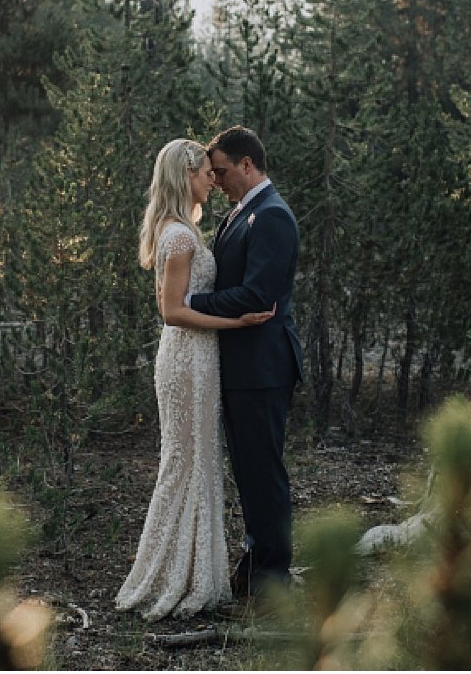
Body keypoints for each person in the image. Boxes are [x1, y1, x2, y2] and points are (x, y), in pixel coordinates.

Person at [115, 139, 275, 621]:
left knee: (195, 460)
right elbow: (171, 311)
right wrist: (237, 321)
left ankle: (189, 572)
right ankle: (170, 576)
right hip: (187, 359)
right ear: (185, 176)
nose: (213, 180)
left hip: (197, 357)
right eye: (207, 172)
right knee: (185, 462)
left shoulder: (179, 229)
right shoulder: (180, 238)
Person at [189, 126, 303, 612]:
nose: (217, 182)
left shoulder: (271, 215)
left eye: (222, 172)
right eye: (212, 174)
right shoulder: (241, 213)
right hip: (242, 367)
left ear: (247, 164)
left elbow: (259, 295)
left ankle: (273, 580)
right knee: (249, 472)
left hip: (262, 367)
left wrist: (189, 304)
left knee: (263, 473)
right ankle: (256, 566)